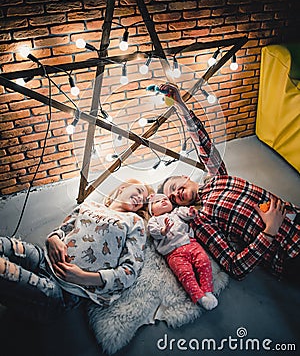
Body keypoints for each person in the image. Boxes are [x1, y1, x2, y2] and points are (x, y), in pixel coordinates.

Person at [156, 83, 300, 282]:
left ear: (186, 178)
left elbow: (201, 140)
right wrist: (269, 231)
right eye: (172, 198)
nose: (175, 194)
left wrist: (179, 104)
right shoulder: (200, 219)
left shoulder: (217, 177)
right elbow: (235, 266)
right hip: (289, 252)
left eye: (173, 187)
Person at [0, 178, 154, 323]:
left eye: (144, 200)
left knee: (4, 272)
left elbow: (129, 272)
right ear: (123, 188)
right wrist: (52, 239)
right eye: (139, 191)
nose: (141, 198)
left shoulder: (135, 222)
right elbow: (62, 229)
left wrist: (83, 277)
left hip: (64, 292)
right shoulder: (89, 205)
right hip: (42, 259)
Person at [147, 192, 218, 310]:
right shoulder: (154, 220)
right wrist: (164, 231)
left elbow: (186, 214)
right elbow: (154, 232)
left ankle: (208, 291)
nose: (163, 201)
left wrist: (191, 213)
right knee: (185, 274)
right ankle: (199, 297)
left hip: (190, 243)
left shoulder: (176, 212)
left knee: (204, 262)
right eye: (157, 202)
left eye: (165, 199)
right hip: (173, 252)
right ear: (152, 212)